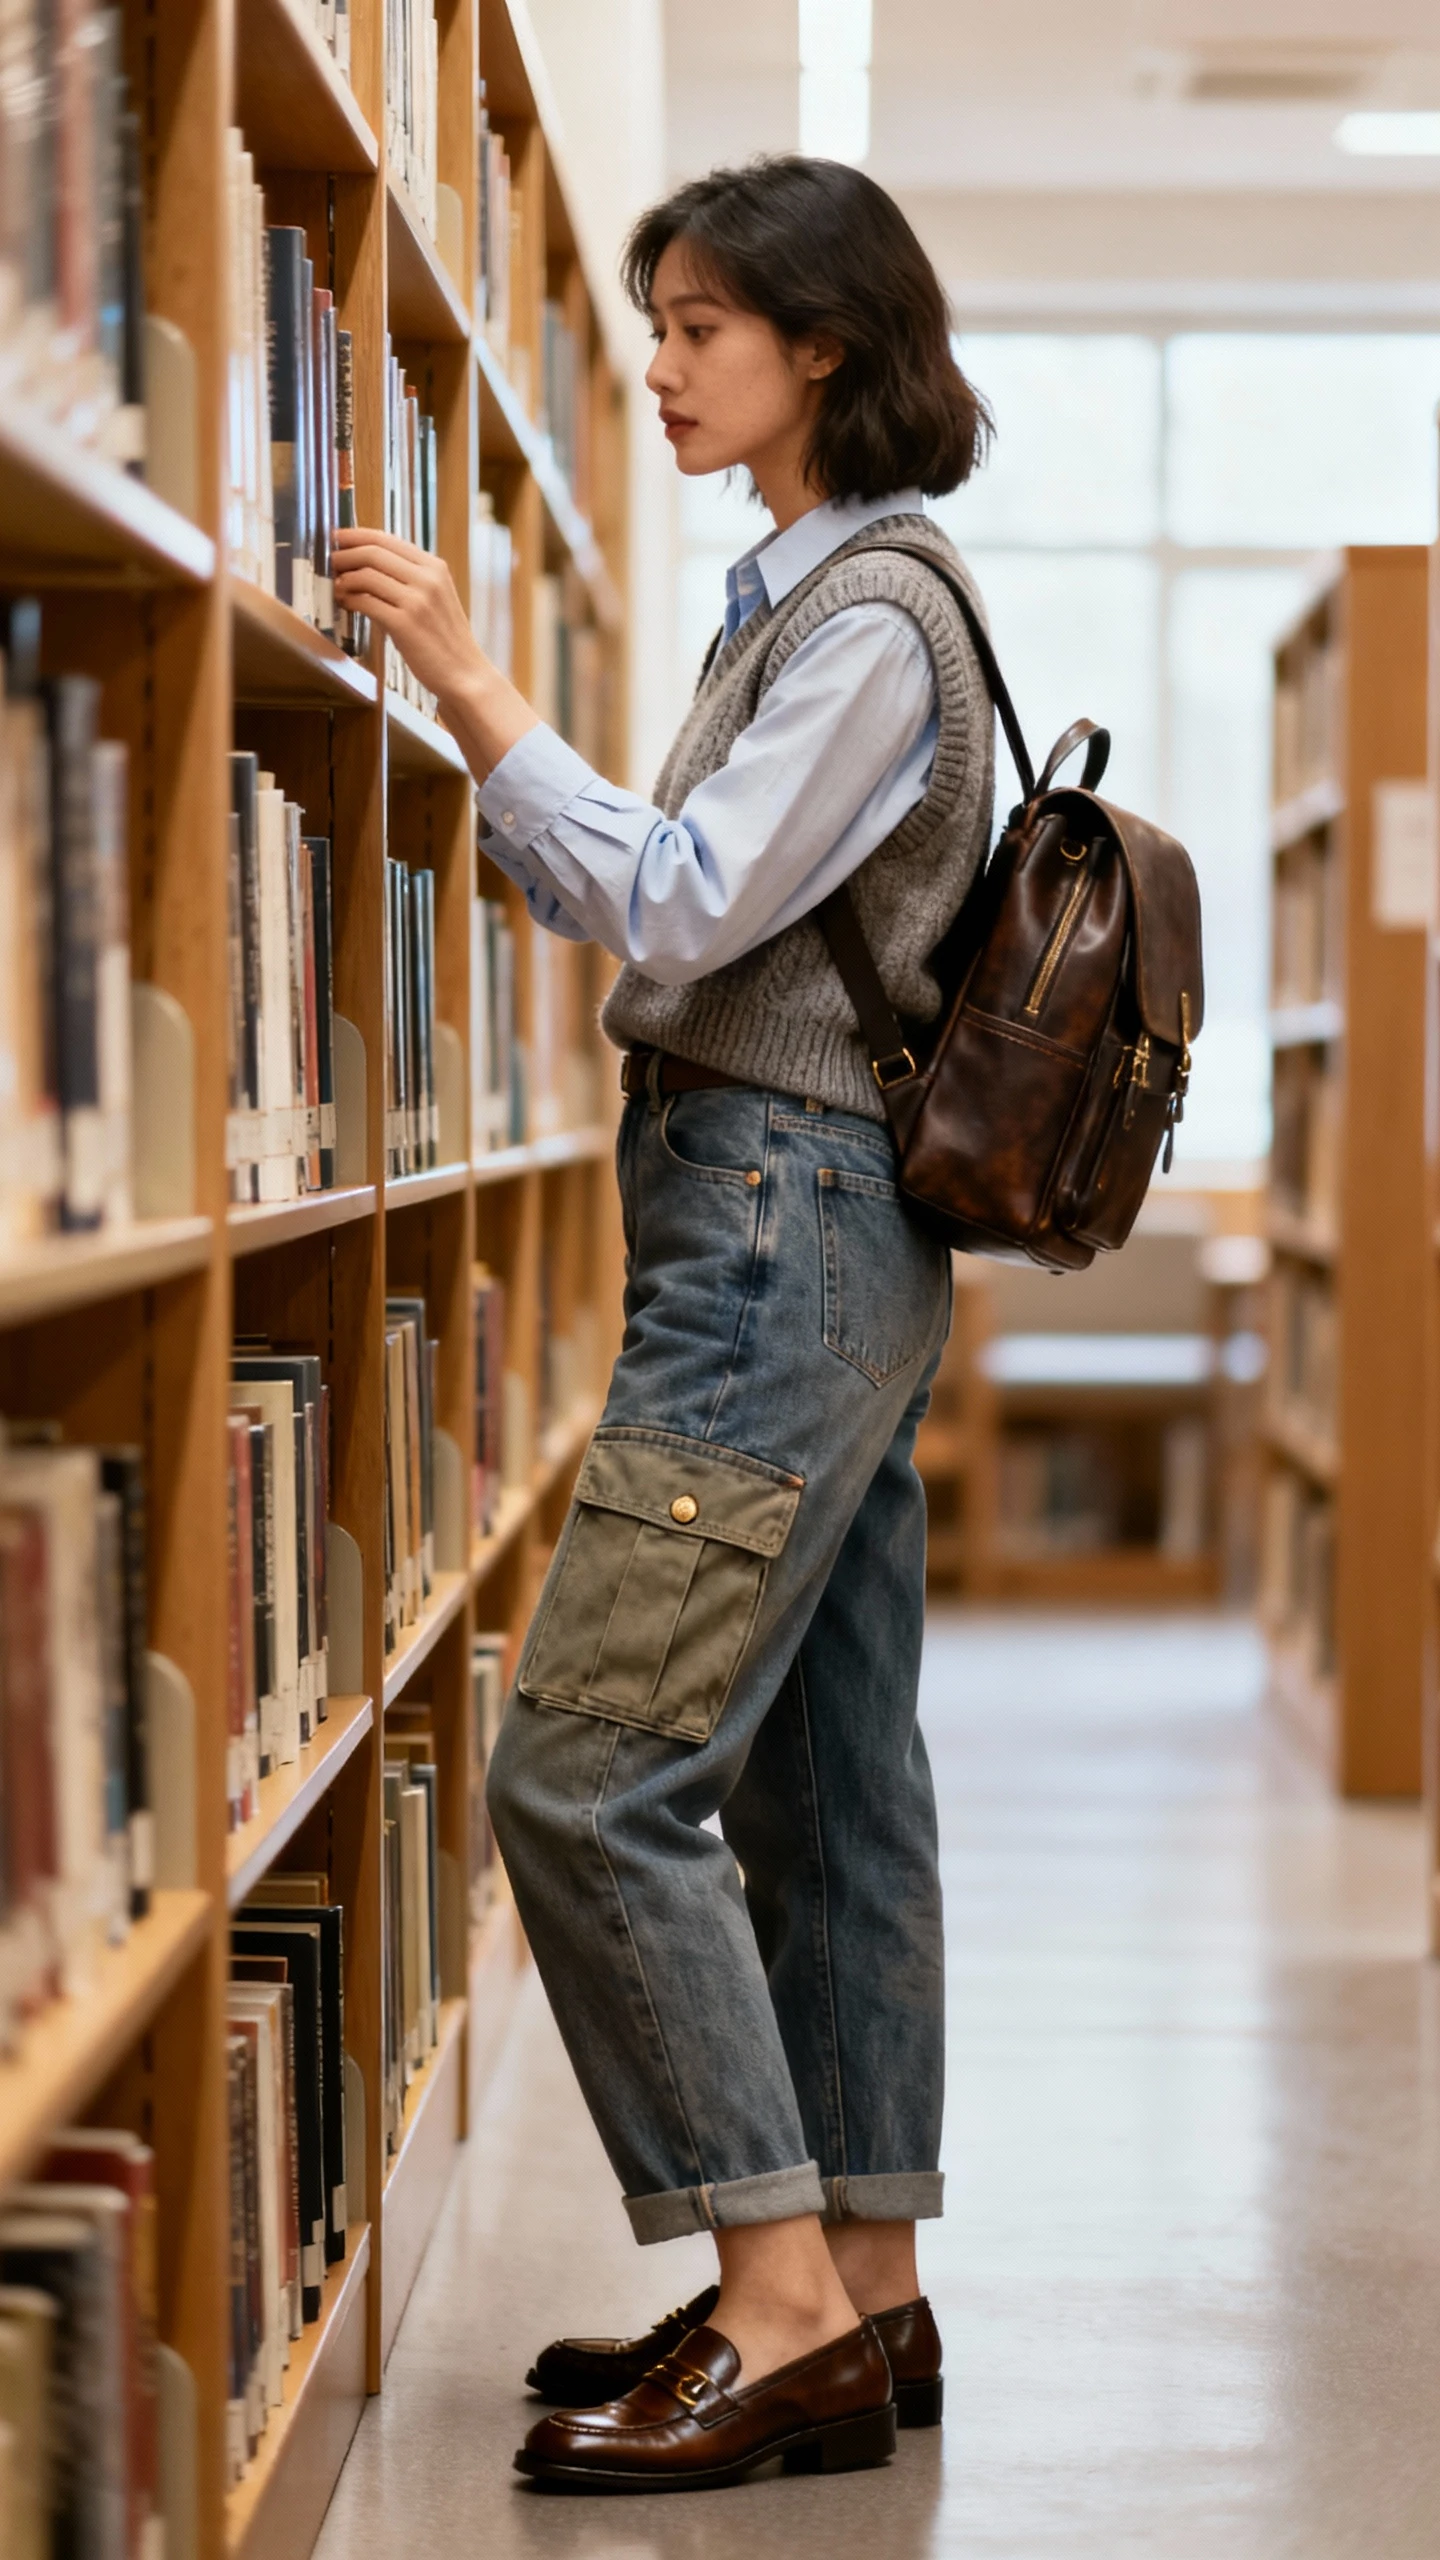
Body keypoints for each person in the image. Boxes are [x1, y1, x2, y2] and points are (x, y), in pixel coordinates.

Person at [333, 152, 995, 2495]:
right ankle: (864, 2291)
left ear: (828, 341)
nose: (661, 355)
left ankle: (781, 2300)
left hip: (780, 1231)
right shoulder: (791, 604)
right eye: (656, 314)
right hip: (806, 1228)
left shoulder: (869, 624)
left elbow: (696, 910)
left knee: (586, 1767)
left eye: (704, 318)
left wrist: (481, 687)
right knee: (827, 1784)